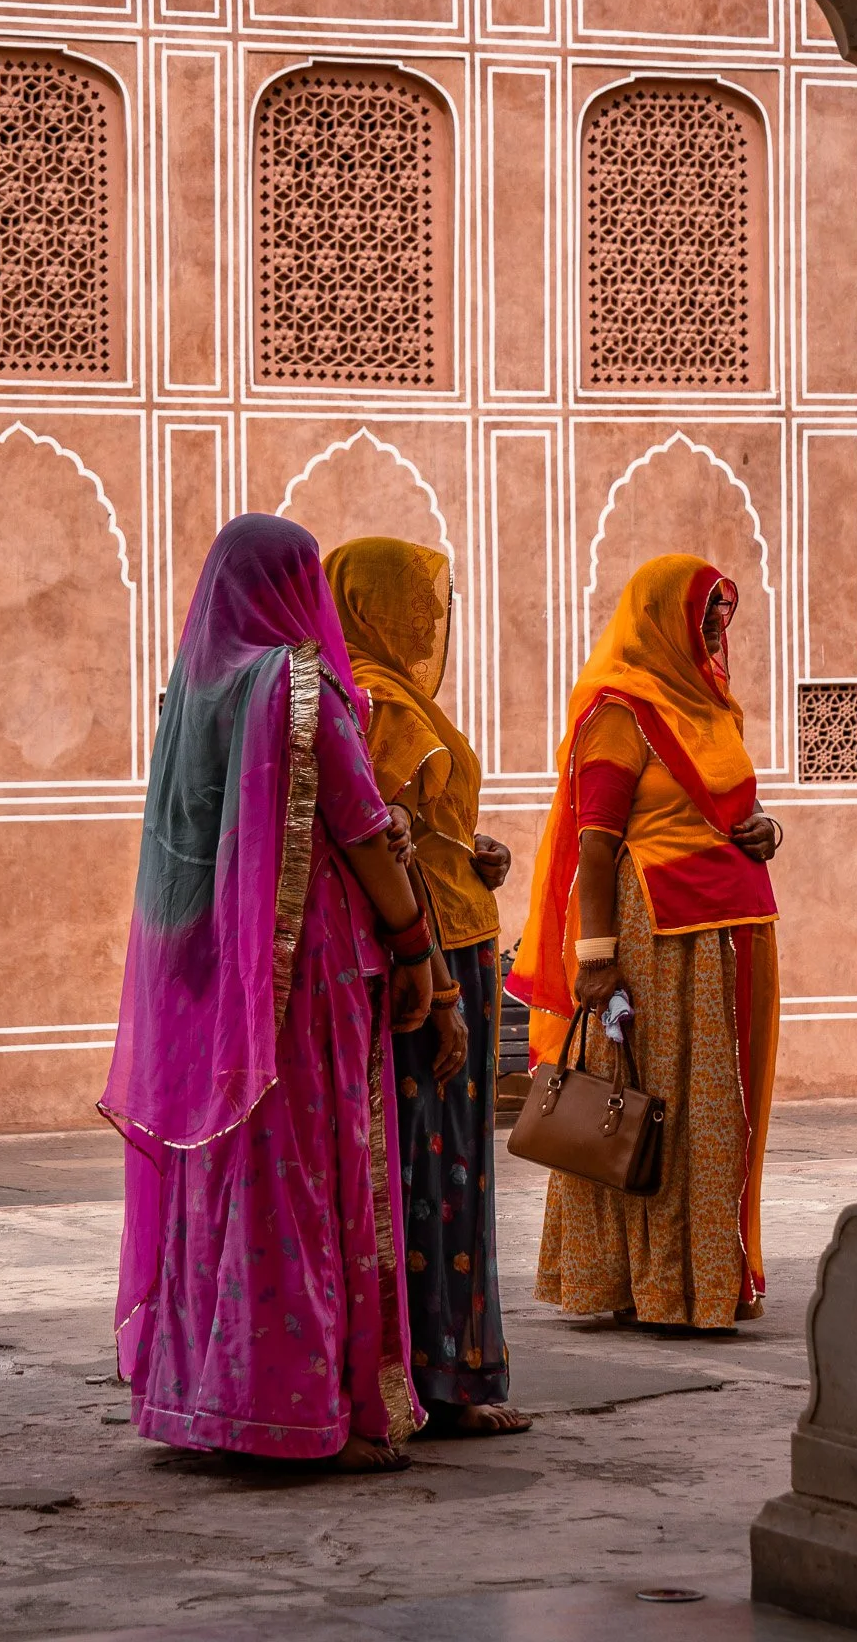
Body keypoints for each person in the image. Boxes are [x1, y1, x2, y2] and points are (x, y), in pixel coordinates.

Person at [98, 514, 436, 1471]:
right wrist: (414, 944)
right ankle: (310, 1409)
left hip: (212, 979)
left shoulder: (193, 693)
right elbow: (359, 827)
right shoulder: (296, 683)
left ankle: (207, 1400)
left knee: (224, 1174)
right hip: (307, 973)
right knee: (308, 1175)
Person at [508, 554, 780, 1331]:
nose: (717, 625)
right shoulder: (619, 714)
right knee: (649, 1109)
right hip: (657, 940)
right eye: (703, 611)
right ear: (662, 619)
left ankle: (712, 1276)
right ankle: (651, 1284)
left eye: (721, 612)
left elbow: (731, 811)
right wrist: (595, 959)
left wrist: (767, 830)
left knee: (722, 1114)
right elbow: (594, 845)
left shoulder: (714, 708)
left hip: (731, 934)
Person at [325, 537, 531, 1435]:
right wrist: (438, 987)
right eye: (415, 602)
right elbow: (384, 846)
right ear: (368, 606)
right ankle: (436, 1378)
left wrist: (474, 850)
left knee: (452, 1166)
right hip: (432, 957)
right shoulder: (377, 706)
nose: (431, 620)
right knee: (431, 1170)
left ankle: (446, 1372)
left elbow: (421, 834)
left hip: (460, 937)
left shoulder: (391, 702)